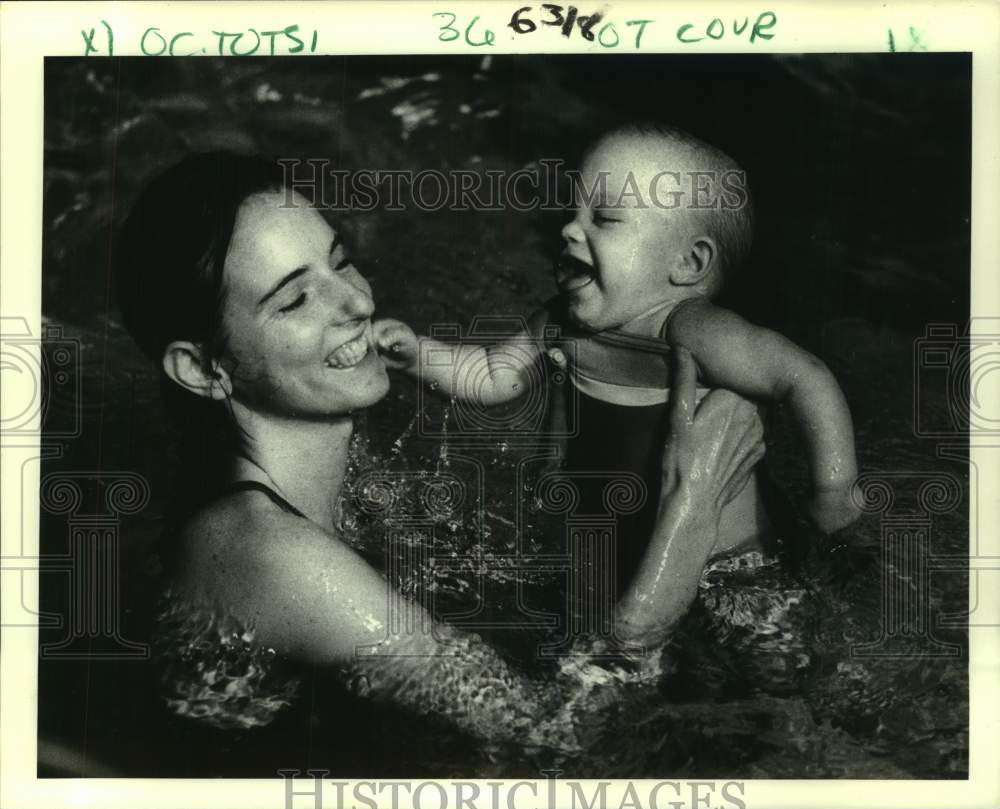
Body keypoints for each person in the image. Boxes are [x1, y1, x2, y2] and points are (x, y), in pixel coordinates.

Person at [115, 151, 765, 750]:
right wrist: (692, 506)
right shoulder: (275, 558)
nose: (358, 302)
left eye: (339, 261)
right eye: (295, 299)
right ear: (202, 370)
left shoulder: (322, 480)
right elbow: (556, 733)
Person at [378, 123, 860, 591]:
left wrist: (834, 495)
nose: (569, 228)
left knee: (761, 654)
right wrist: (412, 354)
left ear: (687, 264)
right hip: (611, 550)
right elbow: (490, 377)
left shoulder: (689, 329)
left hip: (731, 564)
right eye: (573, 211)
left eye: (604, 219)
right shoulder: (559, 322)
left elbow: (804, 377)